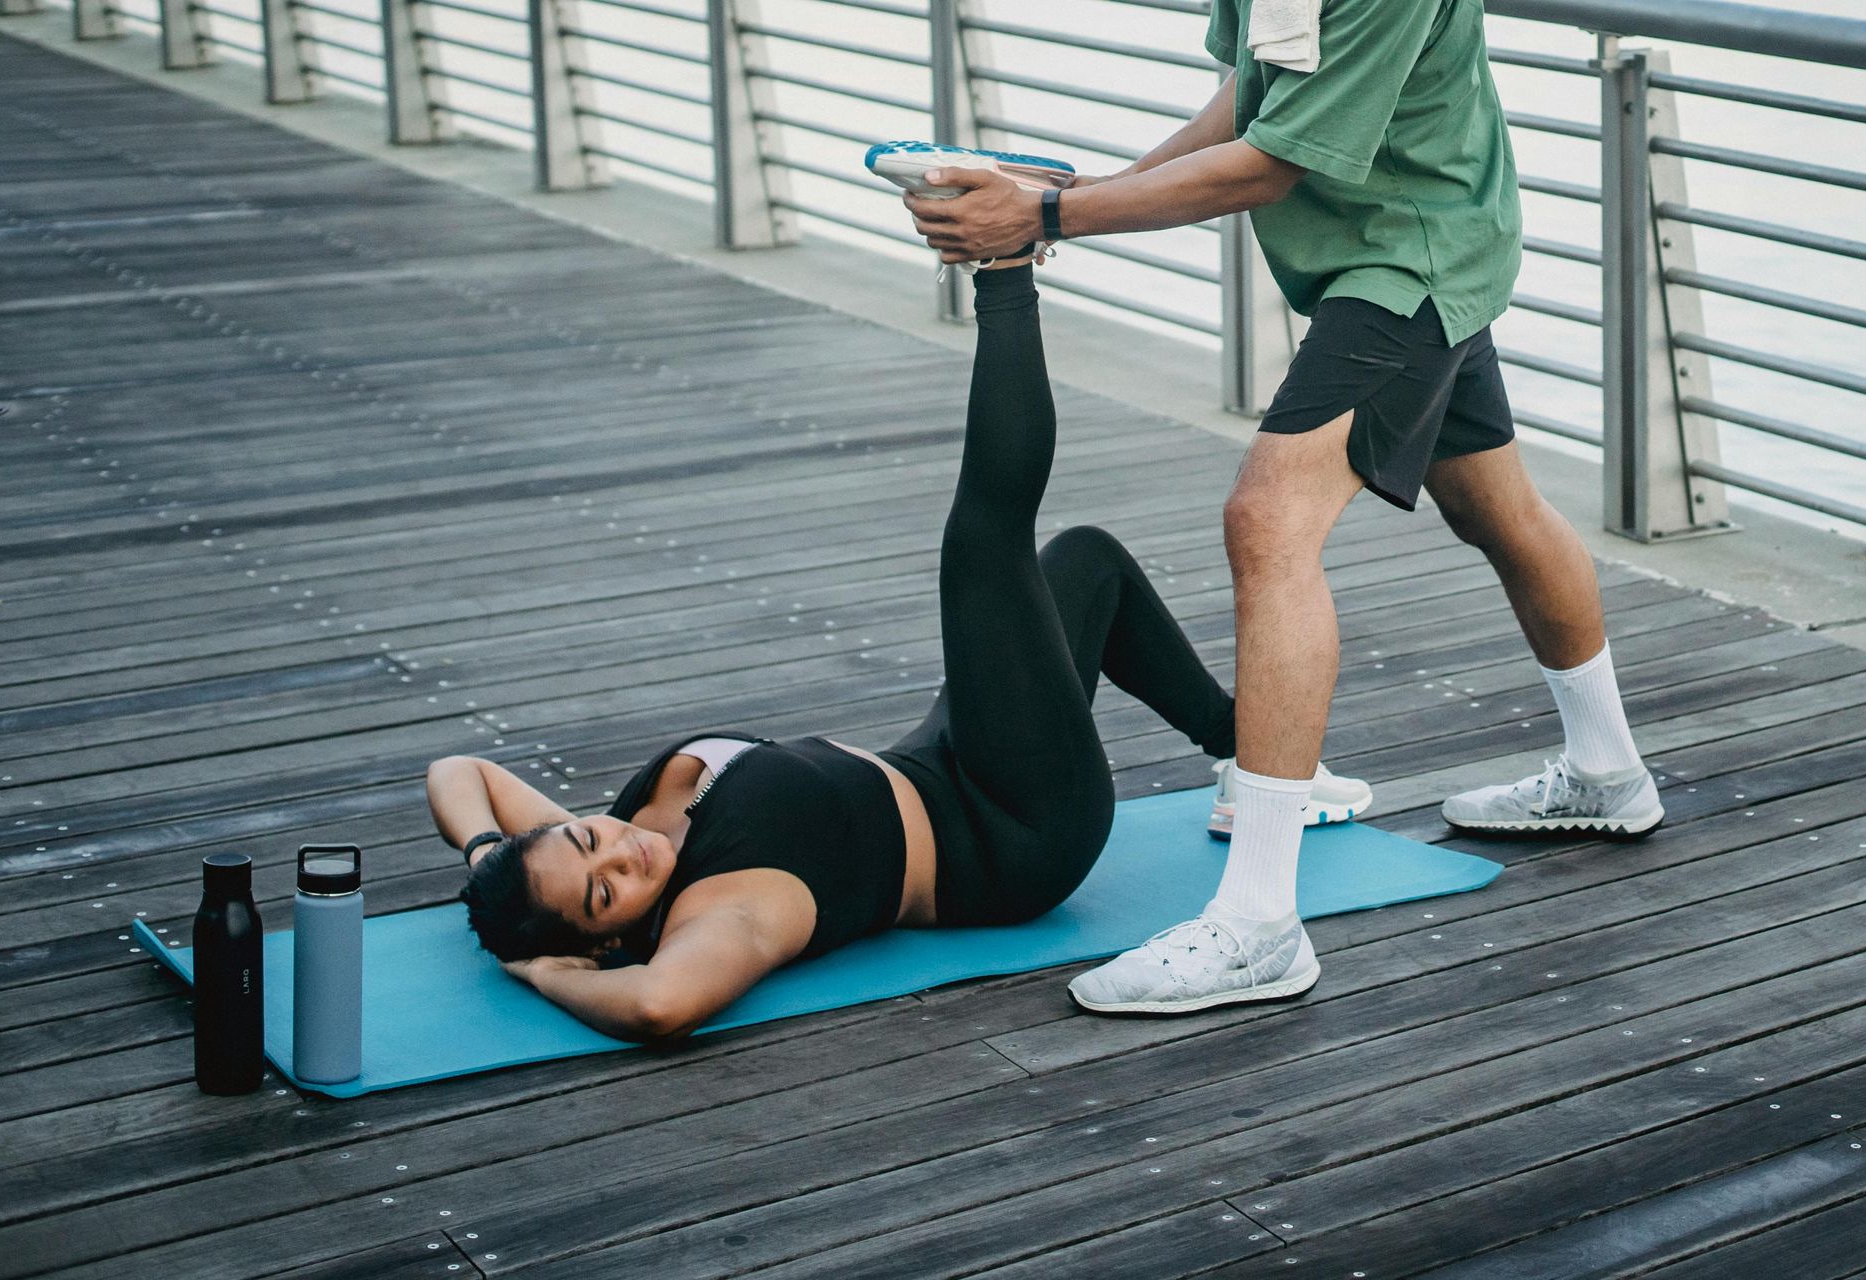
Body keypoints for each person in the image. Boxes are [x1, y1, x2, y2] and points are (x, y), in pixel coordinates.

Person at [905, 0, 1662, 1015]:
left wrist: (1047, 218)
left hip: (1409, 261)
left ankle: (1259, 923)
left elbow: (1270, 164)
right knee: (1495, 505)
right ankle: (1608, 771)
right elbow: (1249, 96)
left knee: (1269, 521)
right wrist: (1087, 191)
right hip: (1417, 242)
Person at [425, 257, 1365, 1041]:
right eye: (603, 896)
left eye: (587, 838)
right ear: (607, 942)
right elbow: (661, 1004)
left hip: (942, 758)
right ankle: (1005, 272)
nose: (619, 858)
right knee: (982, 544)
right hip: (1012, 831)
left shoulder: (626, 837)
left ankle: (1254, 762)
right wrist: (543, 973)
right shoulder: (723, 911)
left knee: (1087, 565)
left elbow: (458, 769)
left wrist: (481, 857)